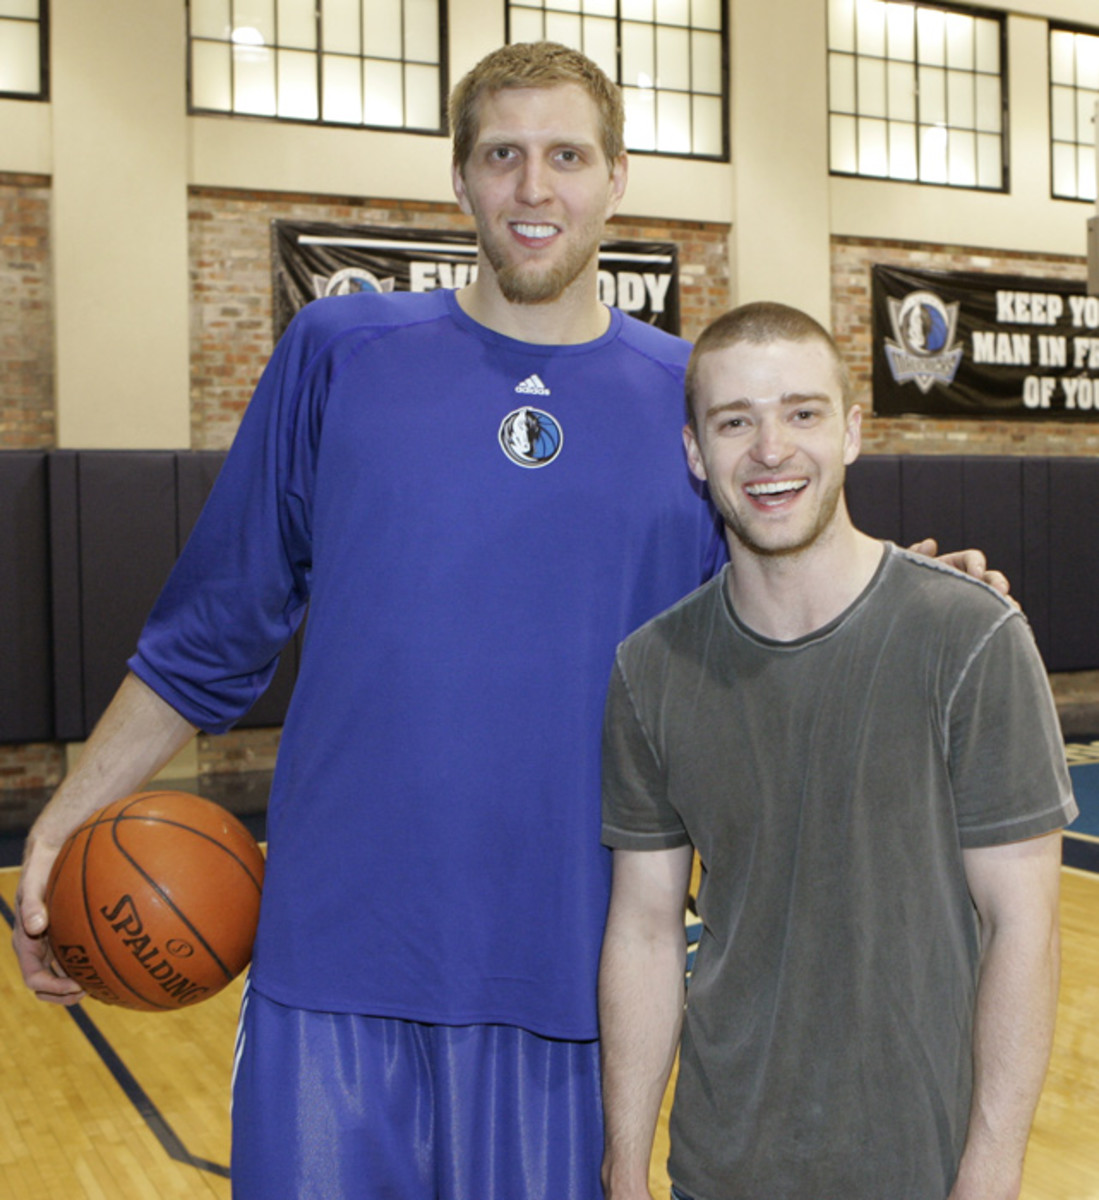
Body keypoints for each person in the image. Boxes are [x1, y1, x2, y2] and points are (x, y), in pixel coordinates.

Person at [13, 45, 1007, 1200]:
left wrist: (927, 600)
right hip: (337, 961)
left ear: (617, 178)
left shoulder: (691, 406)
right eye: (504, 156)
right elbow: (208, 637)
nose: (535, 188)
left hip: (571, 981)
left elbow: (798, 609)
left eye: (566, 156)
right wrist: (62, 825)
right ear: (461, 182)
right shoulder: (340, 357)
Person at [598, 302, 1077, 1200]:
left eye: (802, 412)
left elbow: (1024, 928)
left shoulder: (971, 635)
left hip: (921, 1170)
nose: (770, 449)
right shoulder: (649, 670)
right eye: (734, 421)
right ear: (695, 453)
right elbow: (644, 929)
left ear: (853, 431)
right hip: (719, 1165)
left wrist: (990, 1172)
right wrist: (625, 1163)